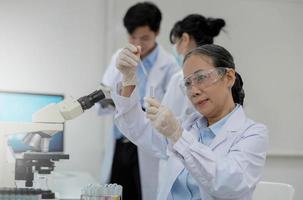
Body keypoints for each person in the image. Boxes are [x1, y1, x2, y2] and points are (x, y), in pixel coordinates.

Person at [111, 44, 268, 200]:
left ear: (229, 77)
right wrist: (128, 78)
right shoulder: (188, 126)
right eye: (188, 83)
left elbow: (229, 183)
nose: (194, 91)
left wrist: (178, 137)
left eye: (201, 78)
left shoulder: (252, 134)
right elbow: (138, 128)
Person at [98, 2, 179, 200]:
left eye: (144, 38)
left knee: (141, 193)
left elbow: (172, 108)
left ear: (157, 32)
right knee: (115, 194)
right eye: (133, 37)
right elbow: (106, 88)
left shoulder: (169, 66)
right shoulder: (120, 56)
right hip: (120, 143)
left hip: (146, 145)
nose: (138, 44)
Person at [162, 14, 226, 121]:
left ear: (185, 39)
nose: (175, 49)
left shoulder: (181, 78)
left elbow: (163, 120)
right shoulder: (221, 72)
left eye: (176, 43)